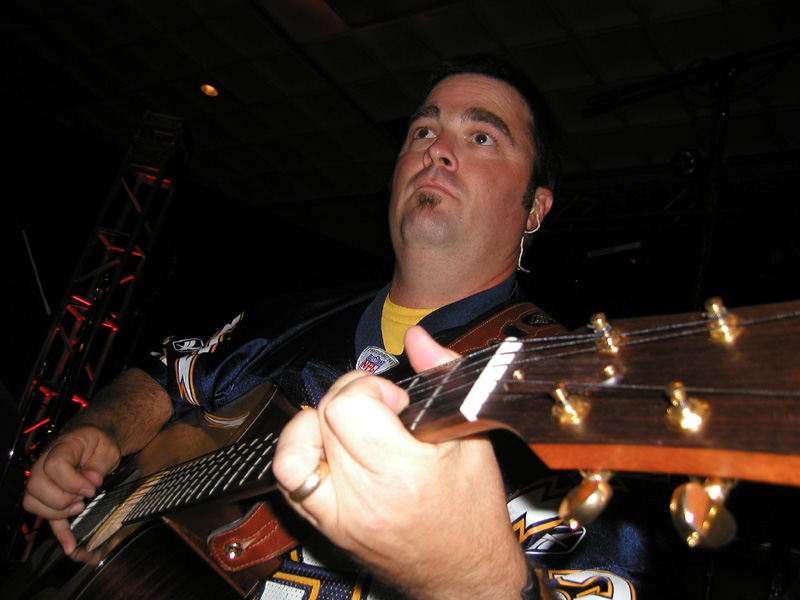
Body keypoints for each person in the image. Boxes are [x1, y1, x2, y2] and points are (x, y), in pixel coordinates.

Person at [22, 55, 685, 599]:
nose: (437, 150)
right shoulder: (284, 319)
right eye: (422, 132)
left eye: (481, 137)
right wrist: (101, 429)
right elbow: (167, 372)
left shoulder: (572, 392)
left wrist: (473, 580)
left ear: (534, 208)